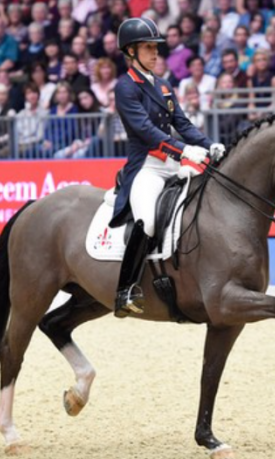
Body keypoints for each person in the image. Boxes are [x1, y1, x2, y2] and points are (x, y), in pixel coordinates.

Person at [110, 17, 225, 317]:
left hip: (172, 164)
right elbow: (146, 130)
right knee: (146, 220)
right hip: (146, 166)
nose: (155, 53)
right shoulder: (125, 87)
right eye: (148, 47)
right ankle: (125, 291)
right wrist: (185, 150)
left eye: (156, 47)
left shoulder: (162, 85)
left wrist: (207, 143)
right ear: (131, 52)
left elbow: (181, 123)